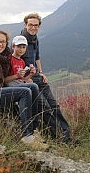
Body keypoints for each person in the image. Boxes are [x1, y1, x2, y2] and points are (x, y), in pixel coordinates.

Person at [0, 30, 48, 150]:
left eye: (3, 42)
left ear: (7, 43)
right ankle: (27, 136)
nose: (0, 44)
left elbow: (3, 80)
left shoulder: (4, 57)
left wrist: (23, 76)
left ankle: (33, 129)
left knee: (33, 87)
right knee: (24, 92)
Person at [20, 13, 72, 143]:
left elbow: (37, 57)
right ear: (25, 25)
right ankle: (58, 137)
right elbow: (16, 60)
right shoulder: (20, 41)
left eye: (36, 25)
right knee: (45, 108)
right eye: (30, 25)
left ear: (39, 26)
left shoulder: (35, 39)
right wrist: (25, 79)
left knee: (54, 105)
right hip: (29, 81)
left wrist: (41, 72)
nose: (33, 27)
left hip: (38, 77)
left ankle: (66, 134)